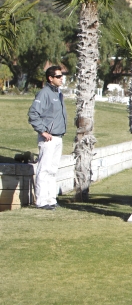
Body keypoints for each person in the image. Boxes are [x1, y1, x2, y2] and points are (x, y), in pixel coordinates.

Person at [28, 66, 67, 210]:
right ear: (50, 78)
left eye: (61, 75)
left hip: (58, 137)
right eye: (58, 76)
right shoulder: (44, 93)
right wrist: (42, 131)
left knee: (53, 170)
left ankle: (51, 199)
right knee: (44, 169)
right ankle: (41, 201)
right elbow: (33, 114)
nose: (61, 78)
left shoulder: (59, 93)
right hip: (48, 138)